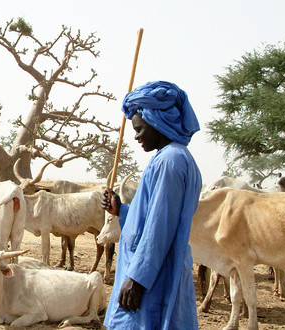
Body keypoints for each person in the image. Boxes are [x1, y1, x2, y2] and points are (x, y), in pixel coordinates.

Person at [101, 81, 202, 329]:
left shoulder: (170, 161)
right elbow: (149, 217)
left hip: (152, 275)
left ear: (157, 122)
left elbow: (160, 226)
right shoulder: (170, 158)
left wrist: (137, 279)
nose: (135, 136)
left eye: (139, 129)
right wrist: (121, 209)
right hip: (153, 268)